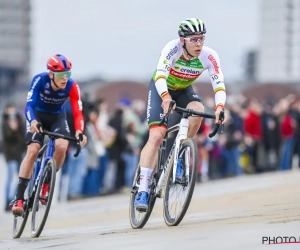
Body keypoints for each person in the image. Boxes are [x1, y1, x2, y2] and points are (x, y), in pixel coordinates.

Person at [134, 18, 227, 211]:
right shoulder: (172, 48)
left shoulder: (209, 56)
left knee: (199, 111)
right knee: (157, 136)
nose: (199, 43)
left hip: (183, 90)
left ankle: (182, 154)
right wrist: (166, 97)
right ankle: (143, 188)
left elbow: (218, 84)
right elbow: (160, 76)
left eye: (201, 39)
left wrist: (219, 106)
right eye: (194, 39)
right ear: (183, 40)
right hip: (161, 90)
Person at [12, 54, 87, 216]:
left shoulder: (72, 86)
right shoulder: (40, 80)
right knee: (32, 151)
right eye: (61, 75)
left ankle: (46, 182)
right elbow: (29, 106)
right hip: (36, 116)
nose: (65, 78)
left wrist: (80, 131)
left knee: (62, 146)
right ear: (51, 74)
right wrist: (32, 121)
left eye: (68, 74)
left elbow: (78, 112)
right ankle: (19, 198)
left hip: (57, 118)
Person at [1, 103, 26, 211]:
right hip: (11, 155)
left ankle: (17, 198)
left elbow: (23, 137)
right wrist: (12, 129)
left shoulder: (19, 121)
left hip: (20, 153)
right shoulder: (5, 123)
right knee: (11, 178)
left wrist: (18, 127)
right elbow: (8, 138)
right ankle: (8, 200)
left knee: (22, 177)